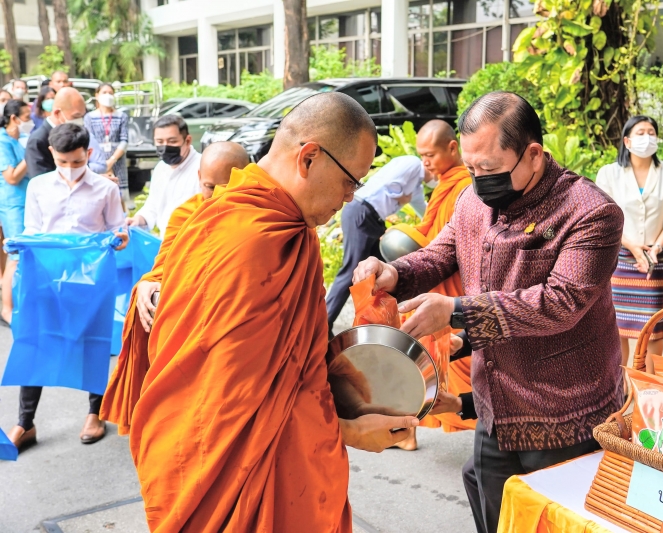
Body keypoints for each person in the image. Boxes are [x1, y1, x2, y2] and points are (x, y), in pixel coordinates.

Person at [129, 93, 418, 531]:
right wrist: (351, 432)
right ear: (308, 158)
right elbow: (233, 399)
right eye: (350, 181)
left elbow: (295, 361)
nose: (349, 197)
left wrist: (368, 395)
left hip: (284, 458)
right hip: (221, 464)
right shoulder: (251, 240)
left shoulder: (287, 227)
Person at [353, 91, 625, 533]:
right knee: (494, 516)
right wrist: (394, 275)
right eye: (472, 167)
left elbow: (561, 302)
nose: (479, 180)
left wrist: (457, 310)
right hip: (495, 403)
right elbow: (441, 253)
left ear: (532, 154)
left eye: (491, 170)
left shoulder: (590, 213)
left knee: (552, 523)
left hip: (563, 412)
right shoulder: (471, 200)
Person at [100, 142, 250, 434]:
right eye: (209, 187)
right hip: (186, 332)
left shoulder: (263, 219)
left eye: (228, 187)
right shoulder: (187, 215)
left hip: (235, 339)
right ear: (198, 177)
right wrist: (147, 283)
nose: (218, 196)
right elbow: (163, 264)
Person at [7, 123, 129, 450]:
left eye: (77, 162)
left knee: (94, 341)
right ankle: (25, 422)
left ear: (88, 154)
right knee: (36, 339)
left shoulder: (105, 189)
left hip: (91, 279)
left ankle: (95, 412)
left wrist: (119, 239)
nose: (70, 169)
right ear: (52, 155)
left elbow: (119, 229)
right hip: (46, 277)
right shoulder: (38, 187)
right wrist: (18, 247)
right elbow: (33, 229)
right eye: (63, 162)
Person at [392, 119, 476, 451]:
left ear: (452, 149)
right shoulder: (445, 185)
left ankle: (496, 426)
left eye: (431, 154)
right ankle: (405, 431)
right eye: (421, 155)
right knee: (425, 358)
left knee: (445, 359)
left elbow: (446, 245)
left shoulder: (463, 188)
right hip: (436, 285)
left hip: (451, 292)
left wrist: (408, 239)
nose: (425, 162)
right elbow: (436, 240)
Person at [595, 115, 663, 366]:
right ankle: (621, 383)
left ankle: (650, 383)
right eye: (641, 132)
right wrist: (632, 246)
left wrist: (656, 247)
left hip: (656, 257)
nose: (647, 137)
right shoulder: (609, 174)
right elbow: (605, 218)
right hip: (620, 257)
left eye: (651, 132)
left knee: (653, 324)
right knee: (618, 325)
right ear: (627, 140)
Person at [325, 155, 429, 328]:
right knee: (352, 268)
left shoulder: (416, 187)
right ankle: (325, 322)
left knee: (383, 269)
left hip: (373, 219)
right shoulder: (413, 164)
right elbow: (393, 184)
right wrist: (402, 195)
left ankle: (378, 325)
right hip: (362, 210)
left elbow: (424, 212)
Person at [125, 115, 200, 236]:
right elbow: (154, 205)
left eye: (172, 141)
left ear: (187, 140)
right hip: (165, 243)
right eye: (160, 142)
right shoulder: (161, 168)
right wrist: (138, 219)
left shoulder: (202, 169)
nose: (165, 147)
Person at [0, 100, 32, 326]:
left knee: (19, 255)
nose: (29, 121)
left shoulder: (15, 140)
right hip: (12, 203)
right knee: (15, 254)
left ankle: (16, 304)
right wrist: (31, 153)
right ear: (14, 118)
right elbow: (11, 177)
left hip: (22, 201)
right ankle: (7, 310)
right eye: (26, 116)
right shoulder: (2, 141)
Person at [25, 87, 86, 179]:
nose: (80, 121)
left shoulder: (76, 134)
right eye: (76, 116)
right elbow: (40, 181)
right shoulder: (38, 140)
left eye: (82, 116)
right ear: (57, 113)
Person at [85, 83, 129, 199]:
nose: (108, 95)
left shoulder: (121, 116)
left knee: (119, 195)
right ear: (97, 95)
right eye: (104, 92)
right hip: (97, 160)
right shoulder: (90, 117)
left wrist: (111, 161)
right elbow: (89, 139)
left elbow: (124, 141)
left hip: (117, 160)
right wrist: (104, 164)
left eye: (110, 93)